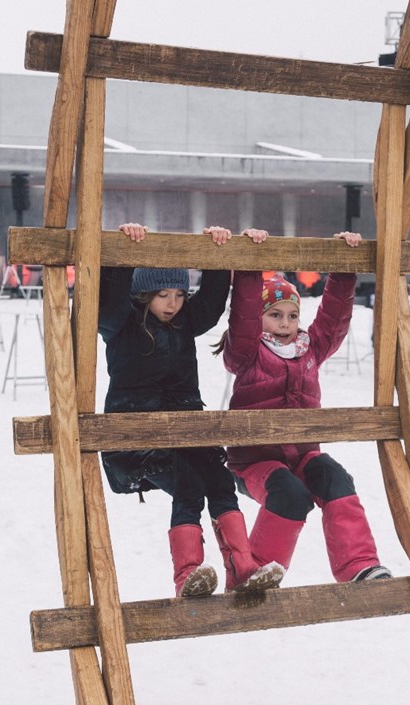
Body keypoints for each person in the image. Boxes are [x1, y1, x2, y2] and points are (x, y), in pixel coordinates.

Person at [98, 222, 284, 598]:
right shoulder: (121, 325)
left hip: (186, 432)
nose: (173, 303)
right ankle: (188, 574)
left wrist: (215, 254)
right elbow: (107, 300)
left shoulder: (184, 324)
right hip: (136, 441)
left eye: (180, 294)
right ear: (143, 294)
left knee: (218, 481)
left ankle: (241, 566)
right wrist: (123, 251)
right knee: (189, 485)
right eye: (164, 294)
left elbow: (213, 305)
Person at [214, 229, 391, 584]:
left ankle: (359, 565)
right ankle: (256, 575)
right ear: (261, 320)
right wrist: (252, 264)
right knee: (290, 494)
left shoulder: (309, 350)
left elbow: (334, 319)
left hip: (303, 456)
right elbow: (244, 315)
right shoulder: (248, 353)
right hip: (255, 463)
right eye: (275, 315)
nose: (285, 323)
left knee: (335, 477)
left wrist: (343, 268)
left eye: (292, 316)